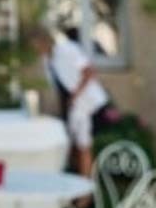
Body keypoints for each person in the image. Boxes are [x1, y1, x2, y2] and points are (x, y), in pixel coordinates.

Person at [32, 24, 111, 182]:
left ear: (43, 41)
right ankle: (78, 184)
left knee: (83, 146)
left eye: (35, 45)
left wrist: (76, 94)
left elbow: (88, 72)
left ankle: (86, 195)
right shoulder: (47, 60)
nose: (35, 50)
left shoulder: (67, 49)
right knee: (73, 146)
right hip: (73, 107)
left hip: (89, 105)